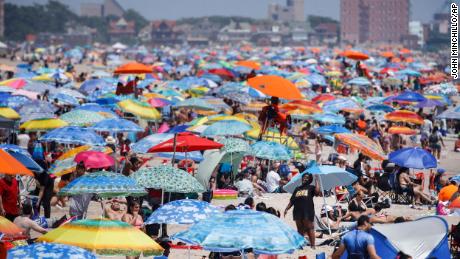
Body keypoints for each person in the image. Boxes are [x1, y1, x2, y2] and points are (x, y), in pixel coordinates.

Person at [284, 173, 320, 248]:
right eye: (304, 177)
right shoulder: (297, 188)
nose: (305, 178)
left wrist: (316, 180)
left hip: (308, 210)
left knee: (310, 228)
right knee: (300, 229)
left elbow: (317, 192)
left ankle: (312, 245)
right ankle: (300, 245)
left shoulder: (311, 187)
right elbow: (292, 200)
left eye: (307, 177)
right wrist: (287, 208)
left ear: (310, 180)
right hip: (297, 211)